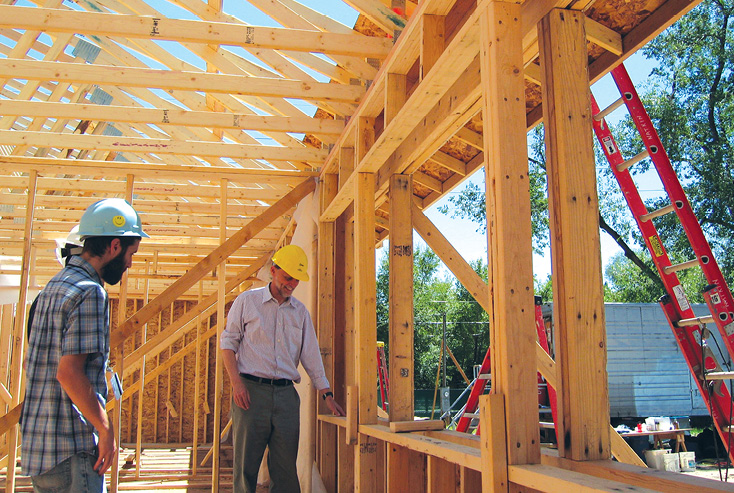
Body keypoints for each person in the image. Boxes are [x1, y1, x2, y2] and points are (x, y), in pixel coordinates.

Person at [21, 198, 148, 493]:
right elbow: (69, 373)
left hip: (39, 449)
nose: (129, 263)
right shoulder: (90, 293)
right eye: (131, 253)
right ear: (114, 246)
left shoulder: (54, 285)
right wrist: (105, 430)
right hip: (72, 447)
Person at [221, 244, 345, 493]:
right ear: (273, 270)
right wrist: (237, 384)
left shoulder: (300, 312)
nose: (292, 284)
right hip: (250, 394)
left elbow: (311, 356)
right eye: (288, 277)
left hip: (287, 396)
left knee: (286, 469)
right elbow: (228, 343)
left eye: (297, 280)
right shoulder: (247, 301)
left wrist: (327, 394)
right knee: (245, 468)